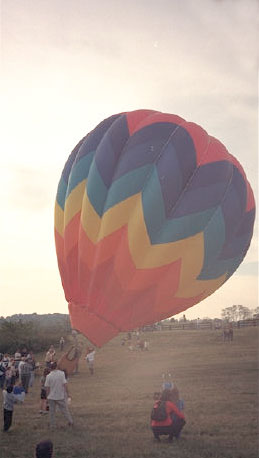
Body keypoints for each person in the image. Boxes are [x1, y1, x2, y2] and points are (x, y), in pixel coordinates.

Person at [44, 361, 73, 428]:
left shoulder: (48, 376)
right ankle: (70, 421)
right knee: (65, 410)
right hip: (60, 396)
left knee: (52, 412)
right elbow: (65, 385)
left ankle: (52, 425)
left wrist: (47, 397)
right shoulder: (61, 374)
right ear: (56, 366)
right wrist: (68, 394)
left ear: (50, 368)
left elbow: (47, 388)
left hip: (51, 396)